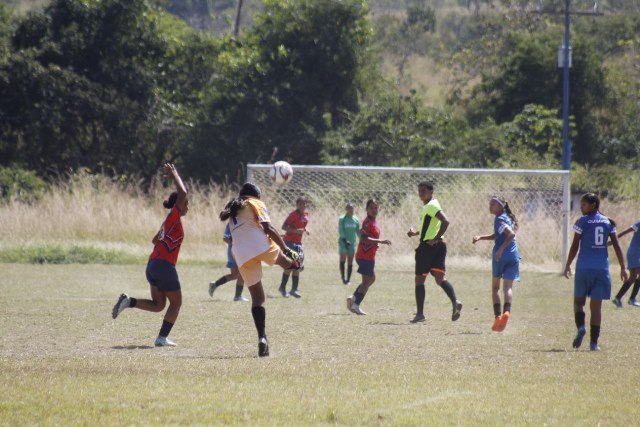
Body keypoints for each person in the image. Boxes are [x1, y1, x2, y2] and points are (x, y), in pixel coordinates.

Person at [111, 163, 188, 347]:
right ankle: (161, 338)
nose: (187, 206)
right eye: (186, 204)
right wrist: (175, 173)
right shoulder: (174, 217)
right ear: (180, 204)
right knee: (176, 304)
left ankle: (129, 302)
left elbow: (155, 240)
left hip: (152, 264)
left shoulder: (168, 222)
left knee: (159, 305)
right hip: (164, 266)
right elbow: (183, 193)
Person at [219, 183, 300, 357]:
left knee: (258, 298)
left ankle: (262, 338)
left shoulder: (235, 206)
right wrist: (286, 249)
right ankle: (295, 264)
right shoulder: (255, 202)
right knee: (287, 262)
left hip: (240, 253)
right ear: (256, 196)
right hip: (258, 244)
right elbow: (268, 228)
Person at [563, 193, 628, 351]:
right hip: (602, 270)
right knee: (596, 308)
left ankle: (581, 328)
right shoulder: (608, 222)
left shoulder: (582, 222)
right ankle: (593, 344)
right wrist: (622, 267)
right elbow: (617, 246)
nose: (581, 207)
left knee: (579, 303)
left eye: (584, 204)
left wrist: (567, 265)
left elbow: (574, 246)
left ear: (593, 205)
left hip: (584, 268)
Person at [407, 181, 462, 323]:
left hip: (428, 247)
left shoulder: (431, 206)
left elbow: (446, 221)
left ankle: (420, 314)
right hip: (439, 246)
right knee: (440, 279)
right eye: (419, 191)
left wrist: (435, 238)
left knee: (419, 280)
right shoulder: (431, 205)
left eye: (424, 190)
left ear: (431, 192)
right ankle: (455, 302)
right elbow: (432, 226)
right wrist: (416, 233)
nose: (421, 193)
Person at [472, 196, 520, 332]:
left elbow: (510, 235)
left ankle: (498, 316)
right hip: (513, 255)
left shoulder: (499, 219)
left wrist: (500, 250)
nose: (490, 206)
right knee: (508, 288)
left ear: (501, 206)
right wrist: (481, 237)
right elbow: (500, 234)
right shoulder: (506, 217)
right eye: (490, 203)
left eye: (493, 204)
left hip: (501, 256)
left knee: (495, 288)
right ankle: (507, 312)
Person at [346, 199, 391, 315]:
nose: (374, 210)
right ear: (367, 210)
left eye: (376, 208)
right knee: (367, 281)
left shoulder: (373, 222)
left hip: (369, 256)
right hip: (364, 256)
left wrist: (376, 243)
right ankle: (355, 304)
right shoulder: (367, 223)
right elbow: (364, 238)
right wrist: (380, 241)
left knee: (371, 279)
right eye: (371, 208)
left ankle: (353, 297)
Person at [208, 223, 248, 302]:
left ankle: (215, 284)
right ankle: (238, 296)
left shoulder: (244, 220)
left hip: (238, 251)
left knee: (235, 275)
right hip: (235, 252)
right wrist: (235, 243)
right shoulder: (232, 223)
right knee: (243, 272)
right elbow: (225, 238)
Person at [279, 196, 309, 298]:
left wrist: (305, 230)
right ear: (297, 205)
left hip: (298, 243)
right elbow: (284, 227)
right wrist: (296, 231)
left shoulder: (306, 214)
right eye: (300, 204)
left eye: (304, 203)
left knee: (298, 266)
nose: (303, 205)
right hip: (289, 242)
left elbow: (302, 226)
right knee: (291, 265)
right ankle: (282, 288)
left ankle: (294, 290)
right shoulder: (292, 215)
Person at [611, 220, 640, 307]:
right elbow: (625, 232)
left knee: (632, 277)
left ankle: (618, 298)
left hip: (636, 254)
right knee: (634, 276)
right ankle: (632, 299)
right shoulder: (638, 224)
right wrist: (613, 240)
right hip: (635, 253)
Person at [338, 203, 360, 285]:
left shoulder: (356, 219)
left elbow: (358, 231)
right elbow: (341, 230)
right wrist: (344, 240)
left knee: (350, 261)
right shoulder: (342, 219)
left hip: (352, 243)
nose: (351, 210)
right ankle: (343, 278)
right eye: (349, 208)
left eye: (352, 208)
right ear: (346, 209)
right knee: (343, 260)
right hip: (343, 242)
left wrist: (362, 240)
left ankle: (348, 279)